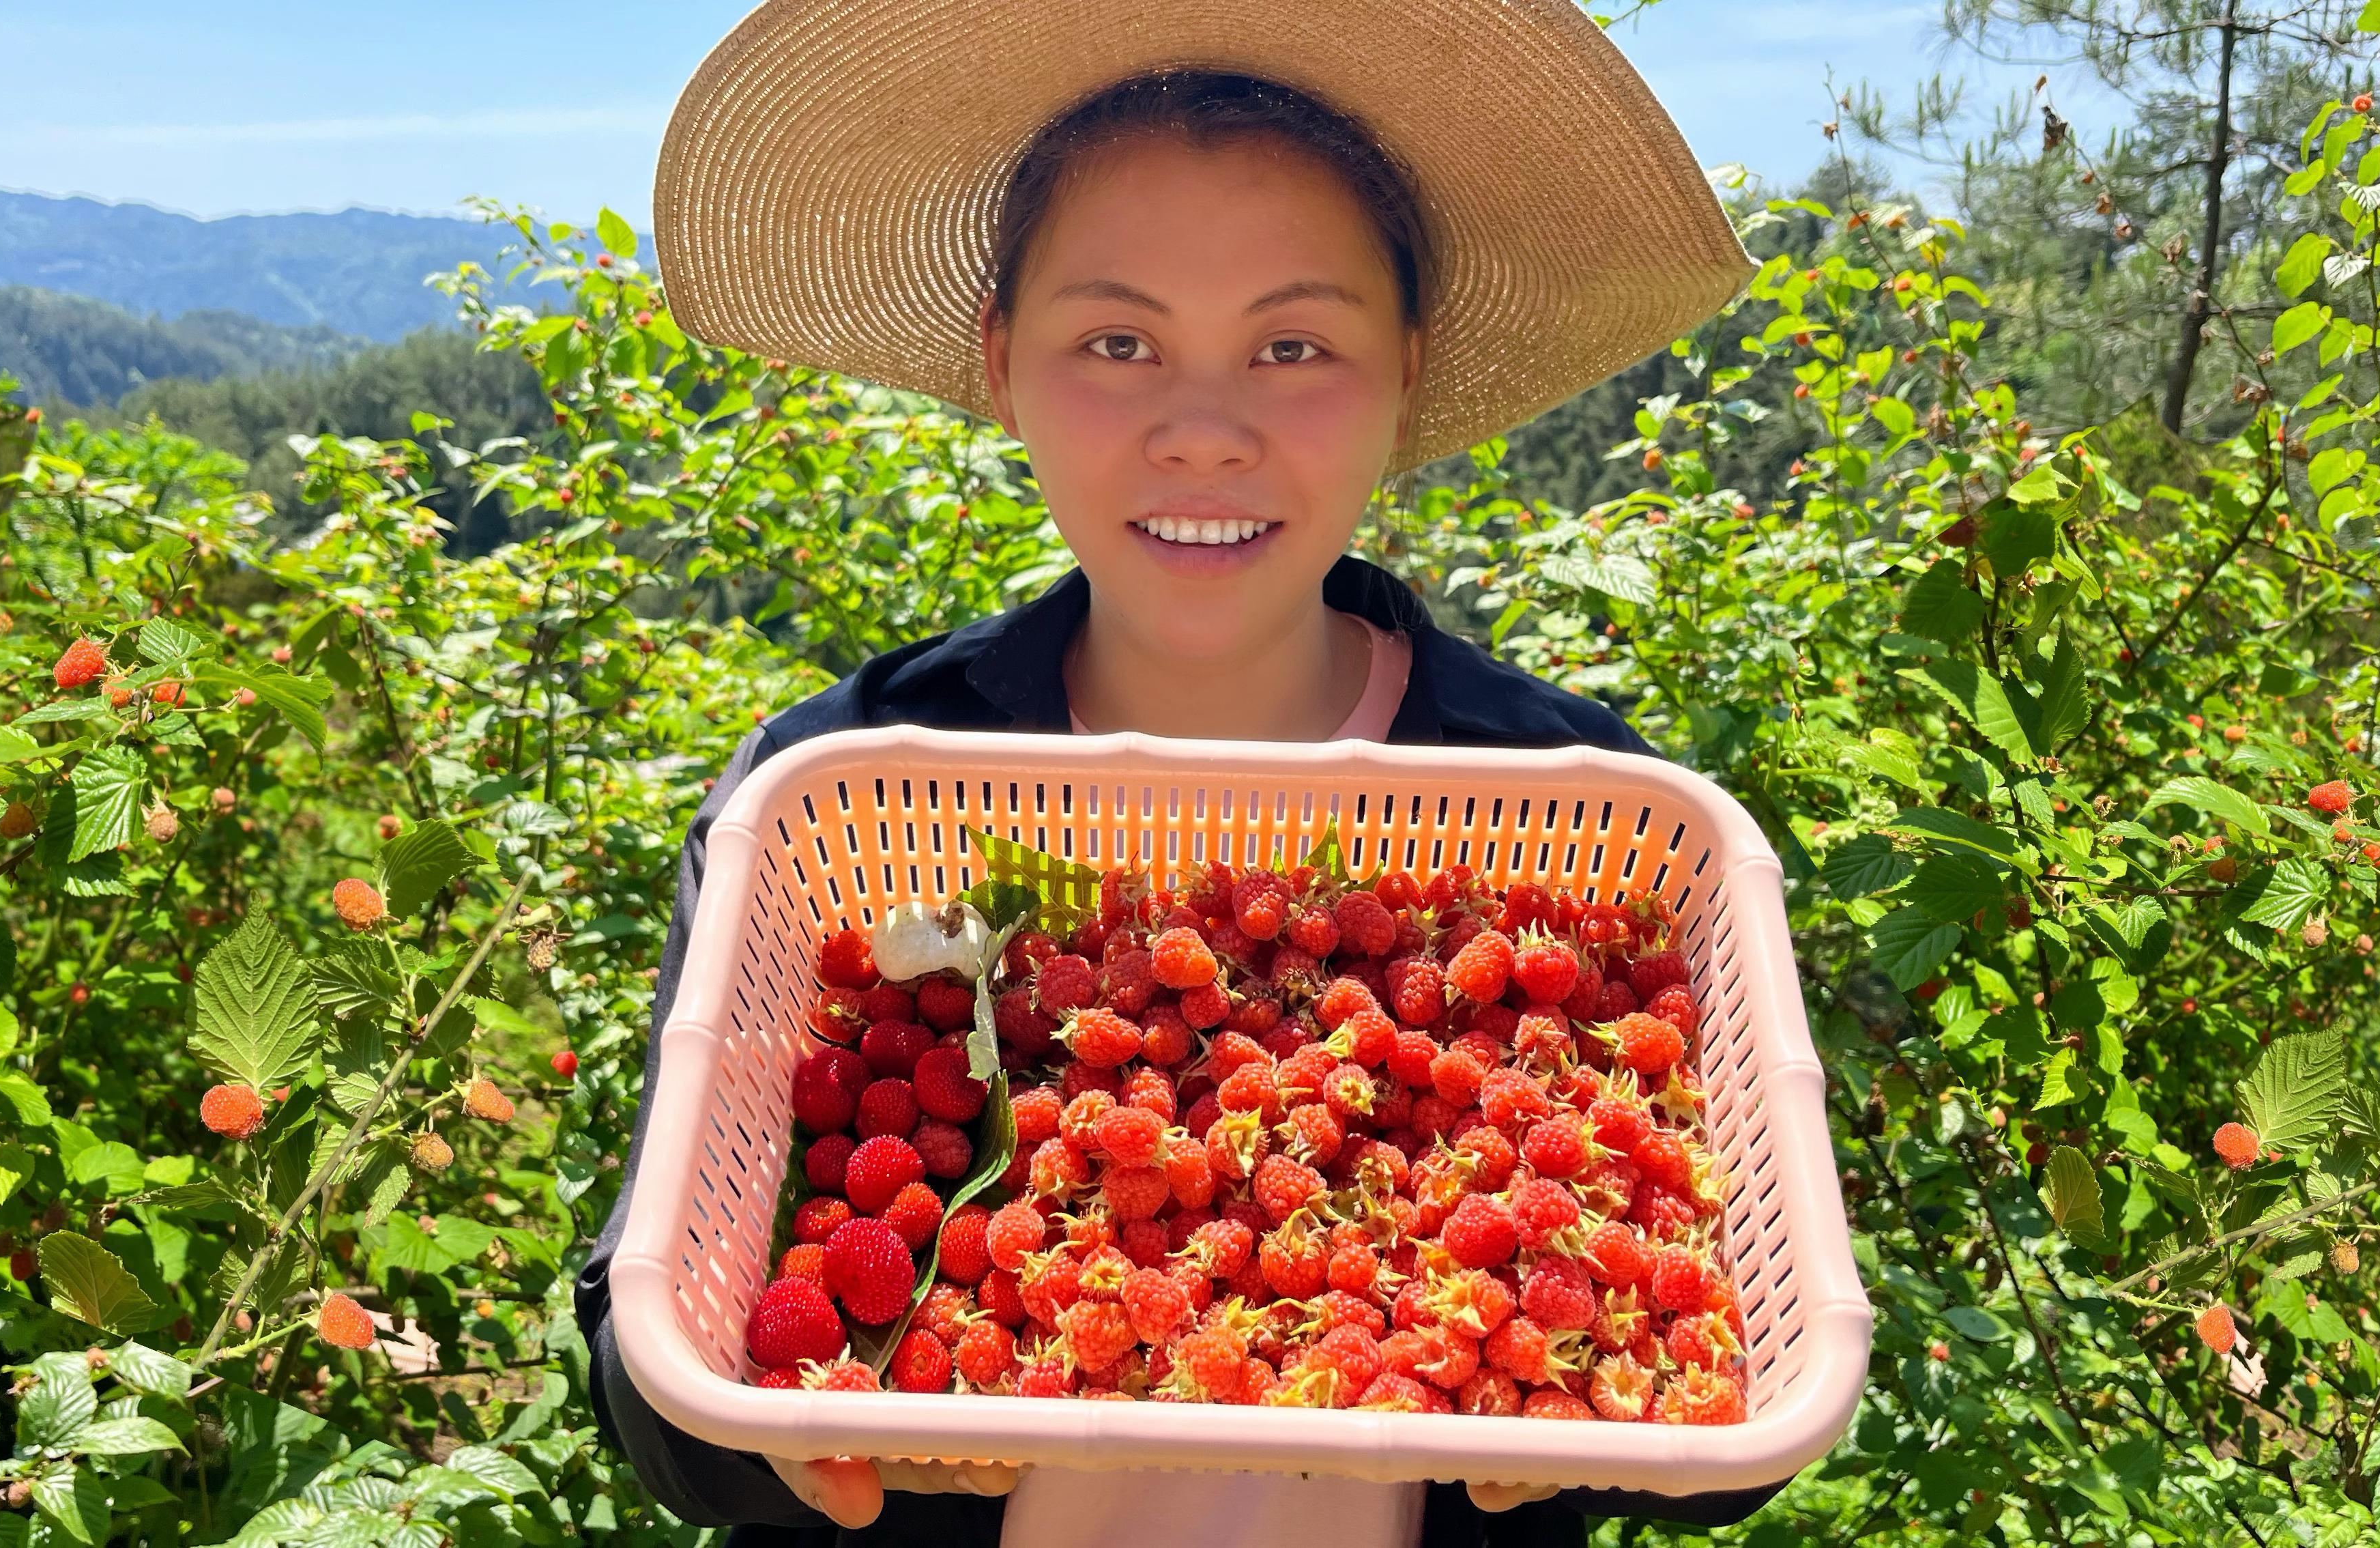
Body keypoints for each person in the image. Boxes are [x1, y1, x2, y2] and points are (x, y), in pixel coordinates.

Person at [577, 1, 1764, 1542]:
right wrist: (790, 1439)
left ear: (1406, 372)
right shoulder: (832, 793)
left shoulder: (1576, 805)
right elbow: (646, 1362)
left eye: (1293, 344)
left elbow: (1751, 1376)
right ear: (1003, 363)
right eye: (1118, 342)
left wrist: (1613, 1415)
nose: (1204, 430)